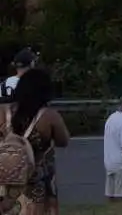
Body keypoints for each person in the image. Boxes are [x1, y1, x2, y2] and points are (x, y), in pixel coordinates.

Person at [0, 68, 70, 215]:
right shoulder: (49, 116)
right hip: (36, 178)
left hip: (6, 176)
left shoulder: (2, 111)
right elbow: (63, 141)